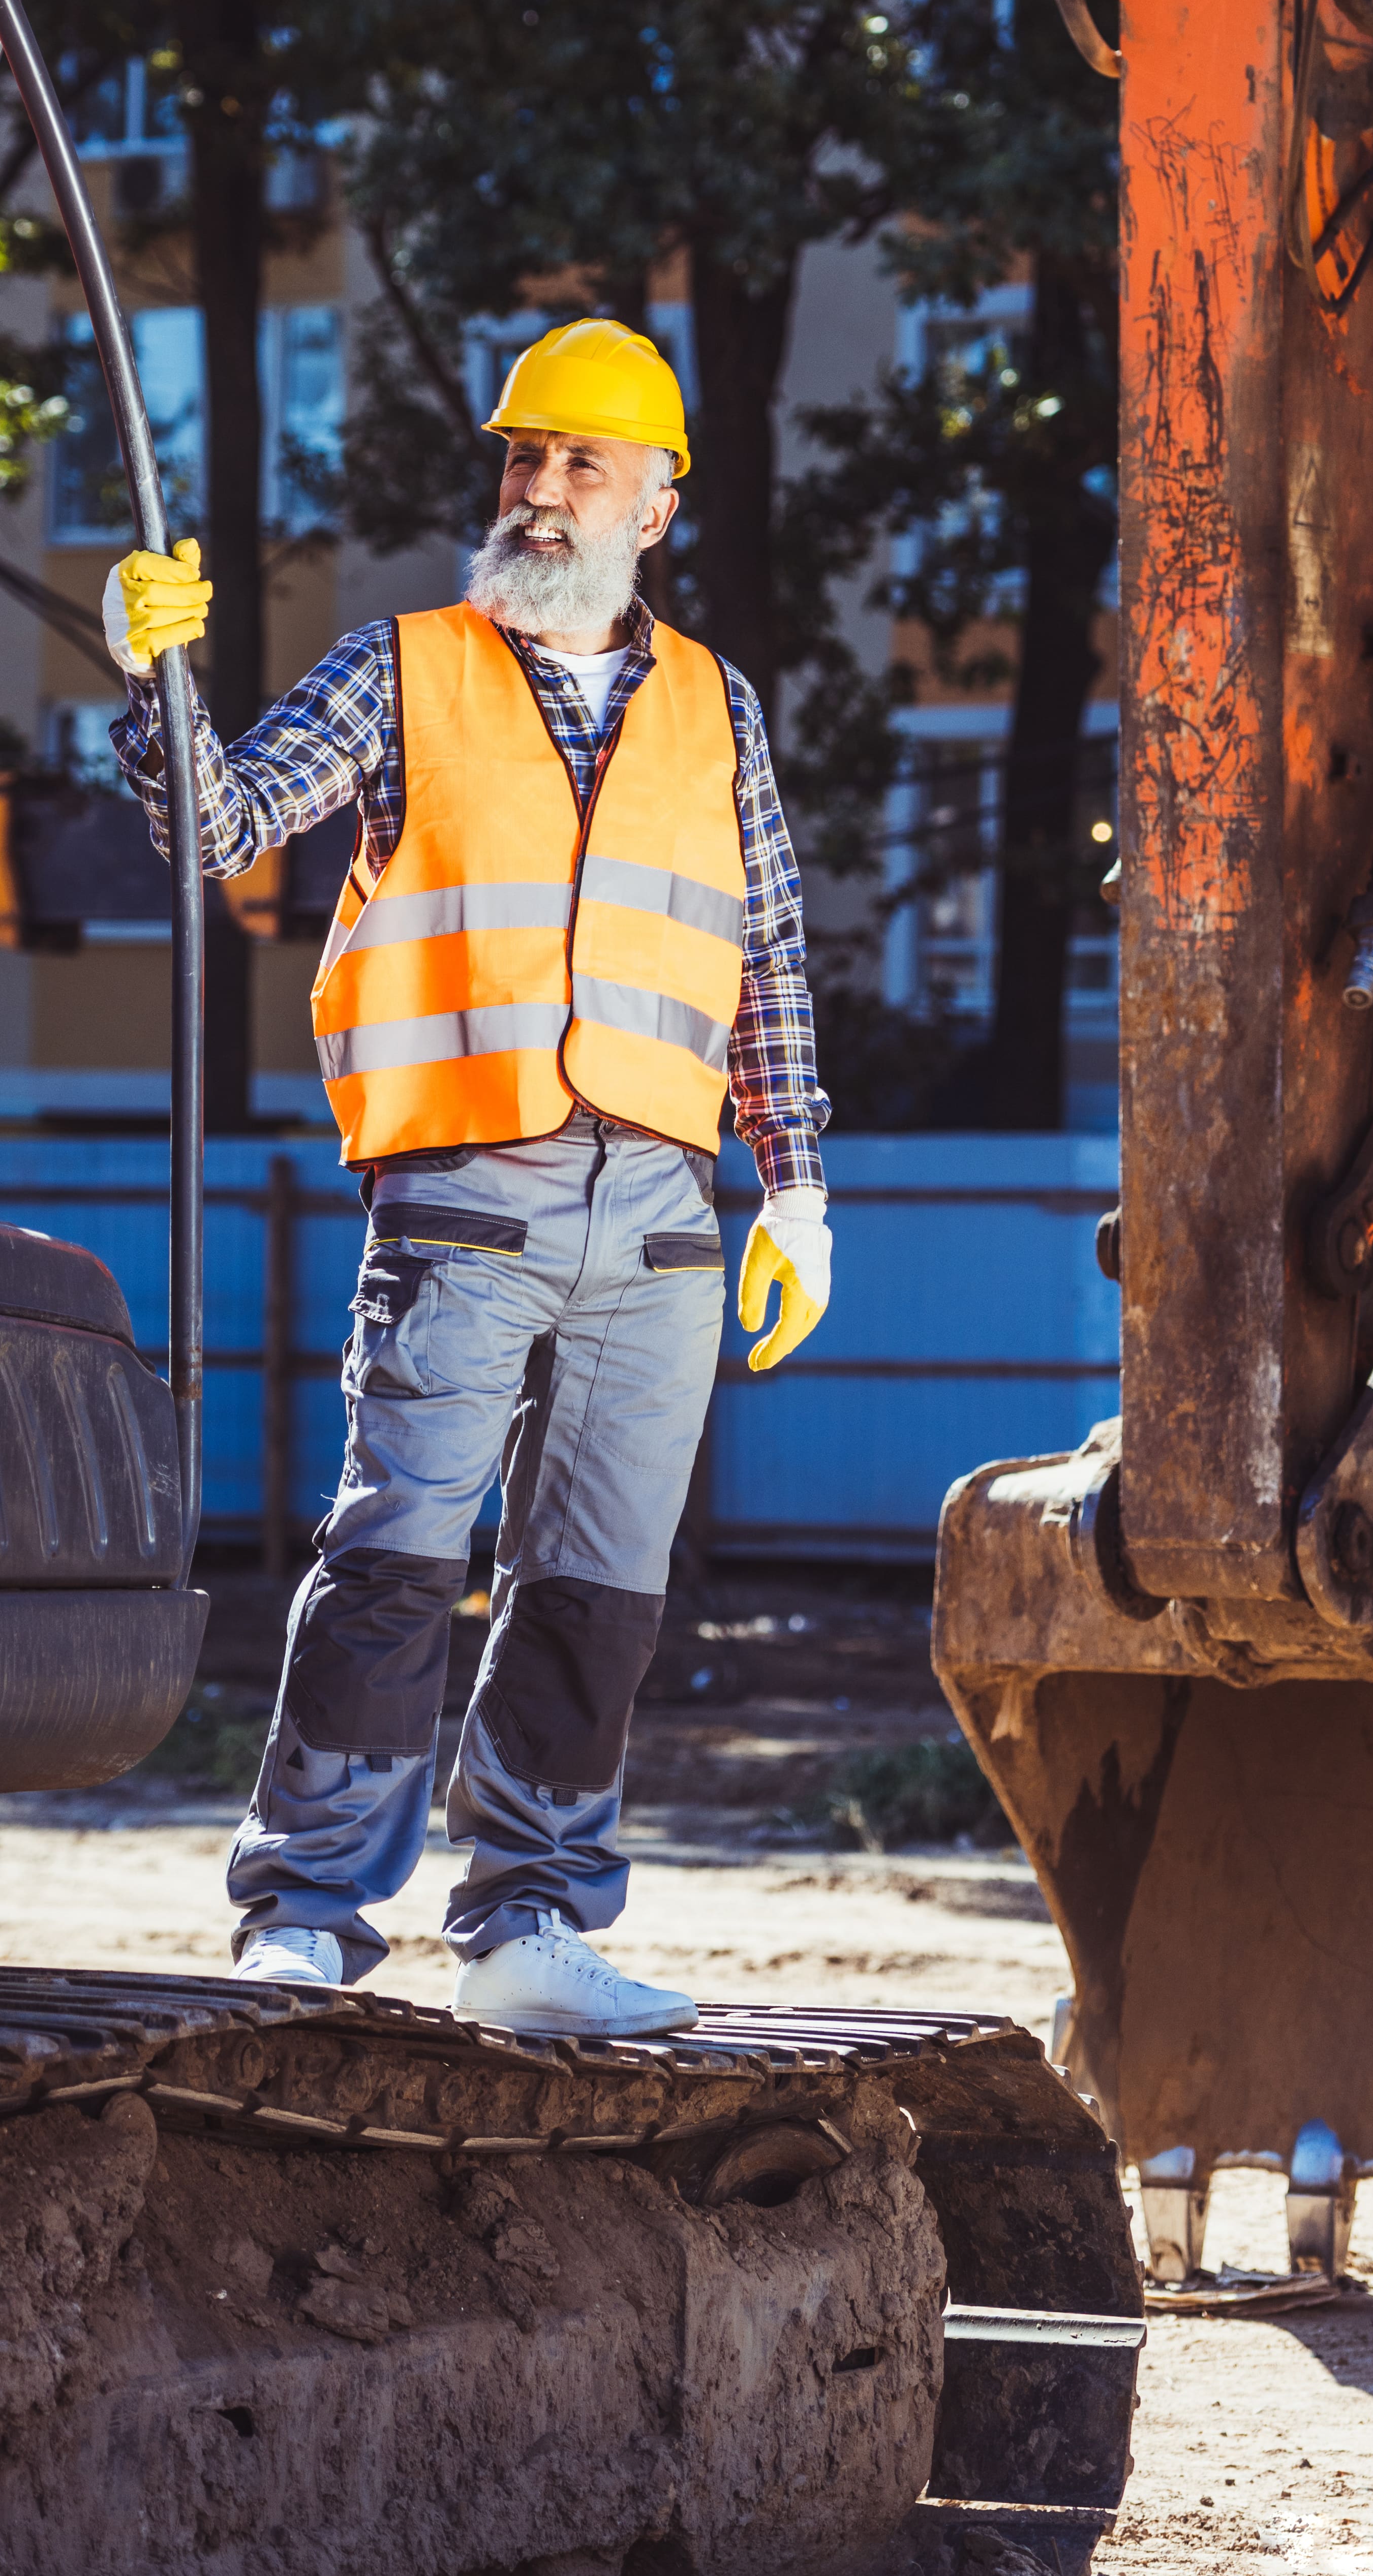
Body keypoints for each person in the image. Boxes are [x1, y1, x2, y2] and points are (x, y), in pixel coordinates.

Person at [105, 317, 831, 2037]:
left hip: (659, 1216)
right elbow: (217, 827)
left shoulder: (719, 707)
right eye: (526, 459)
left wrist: (797, 1185)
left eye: (586, 465)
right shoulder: (402, 669)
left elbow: (772, 958)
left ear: (659, 503)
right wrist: (160, 687)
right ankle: (307, 1912)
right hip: (464, 1198)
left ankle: (531, 1924)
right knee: (398, 1562)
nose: (546, 493)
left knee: (599, 1592)